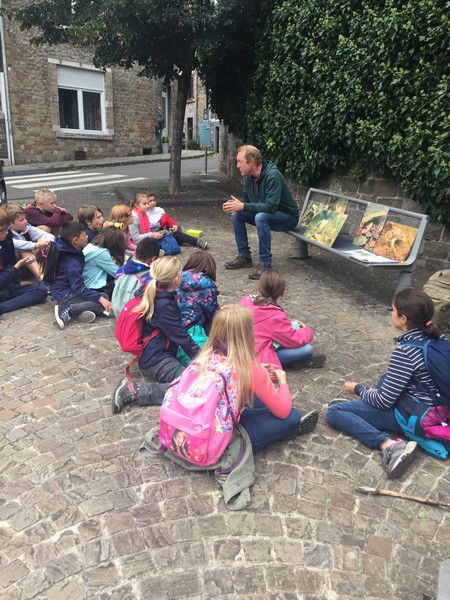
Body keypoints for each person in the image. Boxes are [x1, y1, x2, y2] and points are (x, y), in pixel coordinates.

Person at [119, 304, 319, 450]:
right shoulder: (248, 367)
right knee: (291, 416)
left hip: (189, 425)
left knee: (258, 400)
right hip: (213, 440)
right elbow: (283, 411)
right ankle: (267, 436)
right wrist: (282, 382)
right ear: (248, 333)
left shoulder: (204, 357)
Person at [326, 287, 449, 479]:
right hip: (439, 408)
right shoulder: (438, 338)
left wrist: (357, 389)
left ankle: (390, 446)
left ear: (403, 318)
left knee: (335, 412)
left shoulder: (405, 352)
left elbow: (383, 401)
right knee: (385, 378)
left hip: (415, 416)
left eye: (393, 310)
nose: (391, 313)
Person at [223, 145, 299, 280]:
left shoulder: (272, 176)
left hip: (288, 217)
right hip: (268, 214)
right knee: (237, 214)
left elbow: (271, 207)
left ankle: (265, 264)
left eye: (240, 162)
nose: (237, 166)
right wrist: (235, 205)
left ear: (251, 161)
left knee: (261, 217)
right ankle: (244, 256)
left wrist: (243, 205)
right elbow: (246, 200)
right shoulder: (250, 176)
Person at [239, 269, 326, 368]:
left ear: (258, 287)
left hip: (238, 351)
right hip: (255, 357)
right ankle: (295, 363)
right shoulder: (274, 315)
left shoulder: (245, 301)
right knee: (307, 350)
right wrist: (307, 330)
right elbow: (293, 339)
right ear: (282, 293)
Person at [50, 221, 113, 329]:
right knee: (103, 297)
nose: (87, 237)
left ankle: (79, 313)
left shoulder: (63, 245)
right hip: (66, 294)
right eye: (84, 235)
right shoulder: (70, 261)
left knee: (100, 297)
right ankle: (69, 309)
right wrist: (100, 299)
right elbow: (78, 287)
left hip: (61, 291)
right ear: (75, 240)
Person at [0, 208, 47, 315]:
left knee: (40, 291)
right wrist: (17, 266)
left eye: (7, 229)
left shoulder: (7, 237)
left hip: (5, 286)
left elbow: (9, 263)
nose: (6, 233)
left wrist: (16, 282)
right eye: (2, 230)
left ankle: (2, 307)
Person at [129, 190, 208, 250]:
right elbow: (136, 238)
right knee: (175, 237)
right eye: (149, 202)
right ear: (137, 205)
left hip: (158, 232)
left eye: (154, 200)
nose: (152, 203)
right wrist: (153, 235)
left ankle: (195, 241)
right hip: (151, 236)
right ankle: (195, 241)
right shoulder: (137, 216)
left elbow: (168, 220)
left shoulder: (158, 210)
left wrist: (174, 226)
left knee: (175, 232)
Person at [5, 204, 54, 284]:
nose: (26, 221)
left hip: (29, 261)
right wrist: (36, 245)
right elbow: (14, 243)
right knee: (25, 251)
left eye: (25, 218)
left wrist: (44, 241)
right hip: (13, 266)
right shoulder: (5, 232)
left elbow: (50, 236)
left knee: (45, 240)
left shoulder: (27, 228)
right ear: (10, 224)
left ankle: (52, 273)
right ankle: (42, 280)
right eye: (21, 220)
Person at [111, 237, 160, 316]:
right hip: (135, 315)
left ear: (136, 253)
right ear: (154, 258)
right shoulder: (150, 277)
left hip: (119, 312)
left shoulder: (121, 270)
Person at [83, 227, 125, 298]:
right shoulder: (102, 253)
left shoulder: (92, 246)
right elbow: (117, 273)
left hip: (86, 283)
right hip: (94, 286)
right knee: (121, 284)